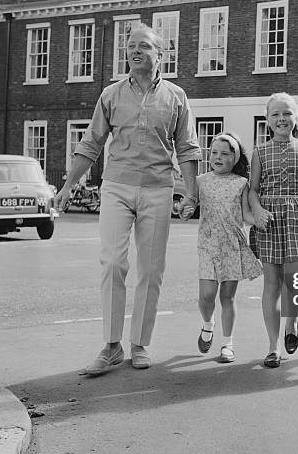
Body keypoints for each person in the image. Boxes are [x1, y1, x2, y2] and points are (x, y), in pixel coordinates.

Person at [56, 23, 201, 375]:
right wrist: (67, 186)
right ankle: (110, 346)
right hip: (116, 187)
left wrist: (192, 194)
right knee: (112, 263)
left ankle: (139, 344)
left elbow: (187, 149)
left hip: (158, 189)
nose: (135, 51)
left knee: (151, 270)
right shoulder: (110, 95)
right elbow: (90, 144)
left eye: (144, 46)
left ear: (160, 55)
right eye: (131, 46)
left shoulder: (177, 97)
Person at [249, 93, 298, 368]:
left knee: (295, 282)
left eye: (287, 113)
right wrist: (257, 211)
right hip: (269, 220)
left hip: (297, 216)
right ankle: (272, 347)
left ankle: (291, 323)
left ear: (296, 118)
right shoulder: (259, 151)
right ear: (267, 120)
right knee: (272, 283)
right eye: (275, 114)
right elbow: (253, 190)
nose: (281, 119)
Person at [182, 132, 262, 363]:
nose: (218, 157)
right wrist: (185, 210)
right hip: (207, 245)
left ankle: (228, 343)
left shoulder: (242, 183)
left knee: (227, 297)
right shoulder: (200, 181)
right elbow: (190, 205)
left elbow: (247, 214)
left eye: (225, 154)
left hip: (233, 245)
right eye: (214, 152)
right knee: (207, 296)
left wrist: (258, 219)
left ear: (235, 158)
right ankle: (208, 324)